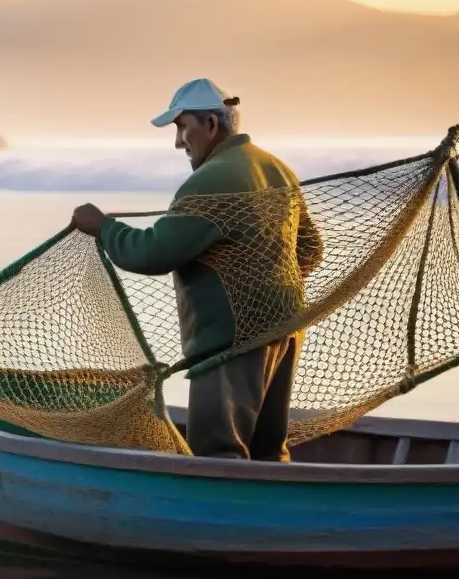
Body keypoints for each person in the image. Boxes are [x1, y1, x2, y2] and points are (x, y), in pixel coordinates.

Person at [71, 78, 323, 462]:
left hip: (230, 341)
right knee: (268, 450)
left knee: (219, 452)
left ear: (210, 123)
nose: (178, 141)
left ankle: (226, 521)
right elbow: (310, 249)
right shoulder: (277, 168)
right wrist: (264, 287)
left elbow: (152, 254)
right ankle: (270, 519)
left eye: (182, 126)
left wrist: (103, 227)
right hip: (284, 328)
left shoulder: (210, 181)